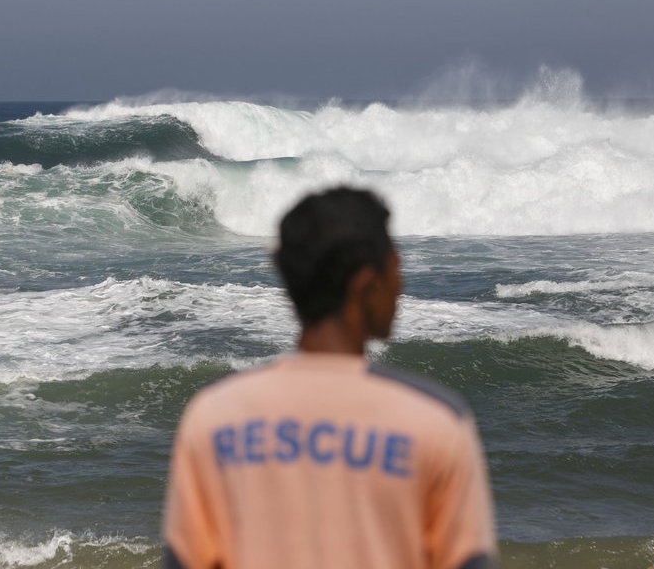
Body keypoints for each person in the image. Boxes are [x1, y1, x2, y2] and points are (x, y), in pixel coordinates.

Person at [162, 186, 497, 569]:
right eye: (395, 268)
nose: (400, 285)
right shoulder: (435, 422)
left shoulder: (214, 417)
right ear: (365, 283)